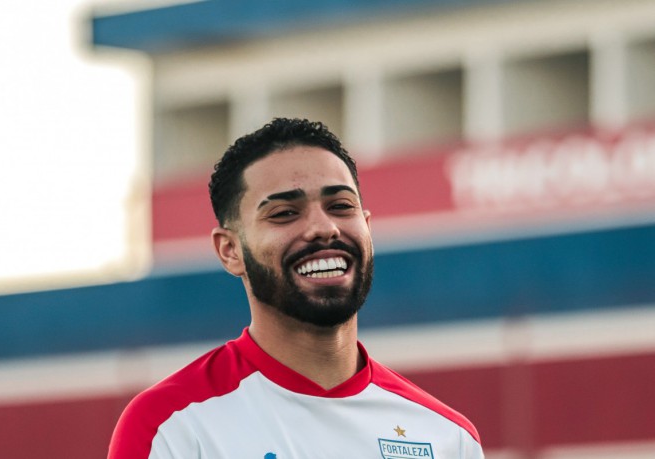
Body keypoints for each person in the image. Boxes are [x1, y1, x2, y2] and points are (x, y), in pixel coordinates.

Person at [108, 118, 483, 459]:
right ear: (230, 249)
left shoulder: (448, 439)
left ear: (367, 226)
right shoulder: (170, 427)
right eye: (285, 213)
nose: (324, 228)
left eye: (340, 206)